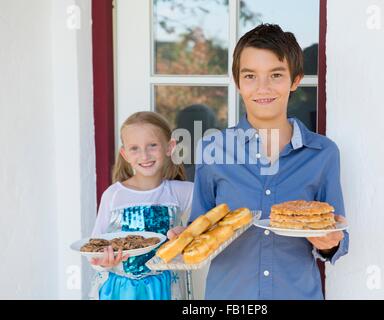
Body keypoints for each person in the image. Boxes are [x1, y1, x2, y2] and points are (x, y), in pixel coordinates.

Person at [168, 24, 349, 299]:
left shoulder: (323, 153)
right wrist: (185, 237)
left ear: (295, 80)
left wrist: (329, 244)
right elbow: (201, 225)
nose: (262, 88)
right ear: (237, 82)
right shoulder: (212, 150)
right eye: (250, 76)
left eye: (276, 75)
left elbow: (337, 237)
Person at [89, 111, 194, 300]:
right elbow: (94, 248)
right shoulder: (113, 195)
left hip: (165, 289)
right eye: (134, 148)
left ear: (169, 147)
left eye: (152, 145)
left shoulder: (181, 192)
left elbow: (215, 215)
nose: (144, 155)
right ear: (125, 154)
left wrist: (188, 231)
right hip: (119, 290)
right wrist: (103, 261)